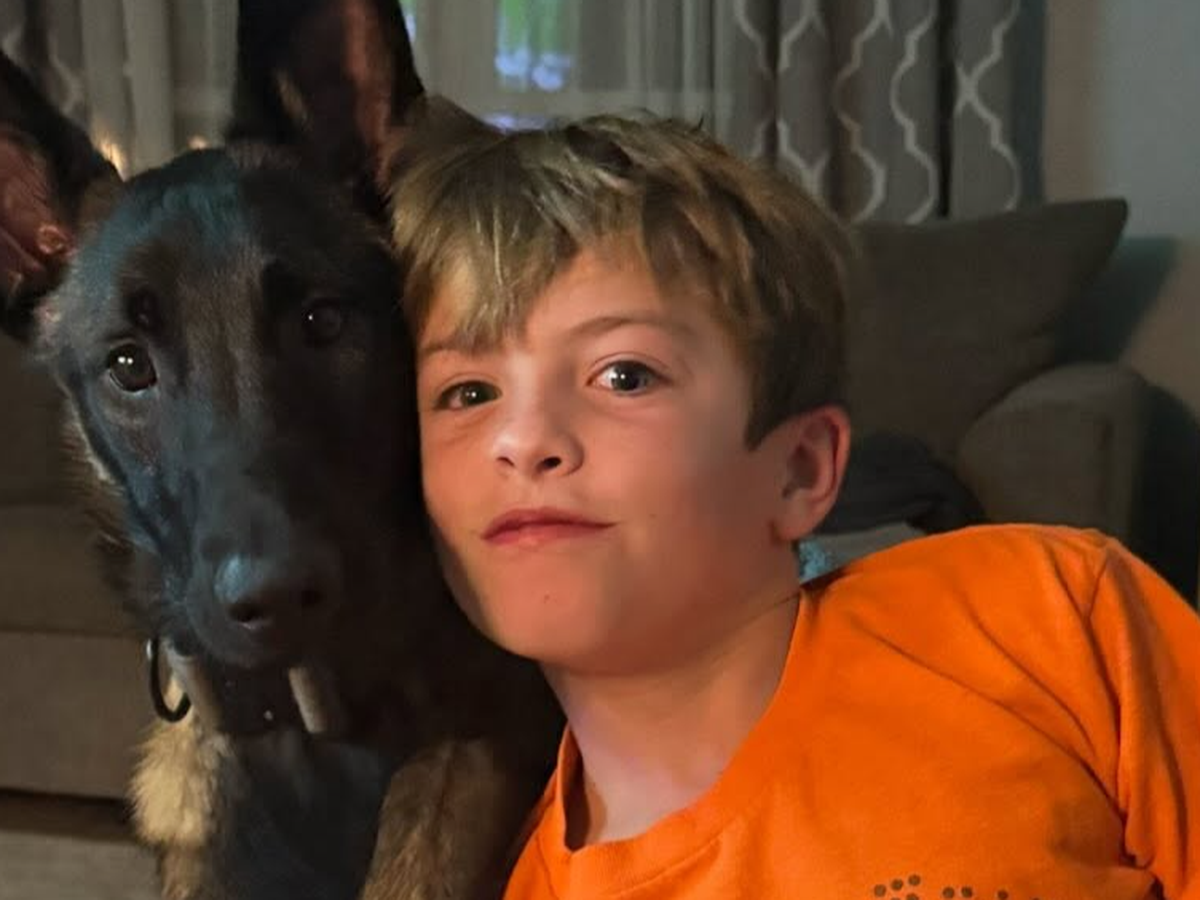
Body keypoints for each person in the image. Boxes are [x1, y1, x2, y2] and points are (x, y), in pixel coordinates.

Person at [388, 111, 1200, 899]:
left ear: (800, 471)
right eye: (468, 393)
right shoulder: (517, 883)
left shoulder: (1046, 615)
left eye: (624, 376)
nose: (524, 439)